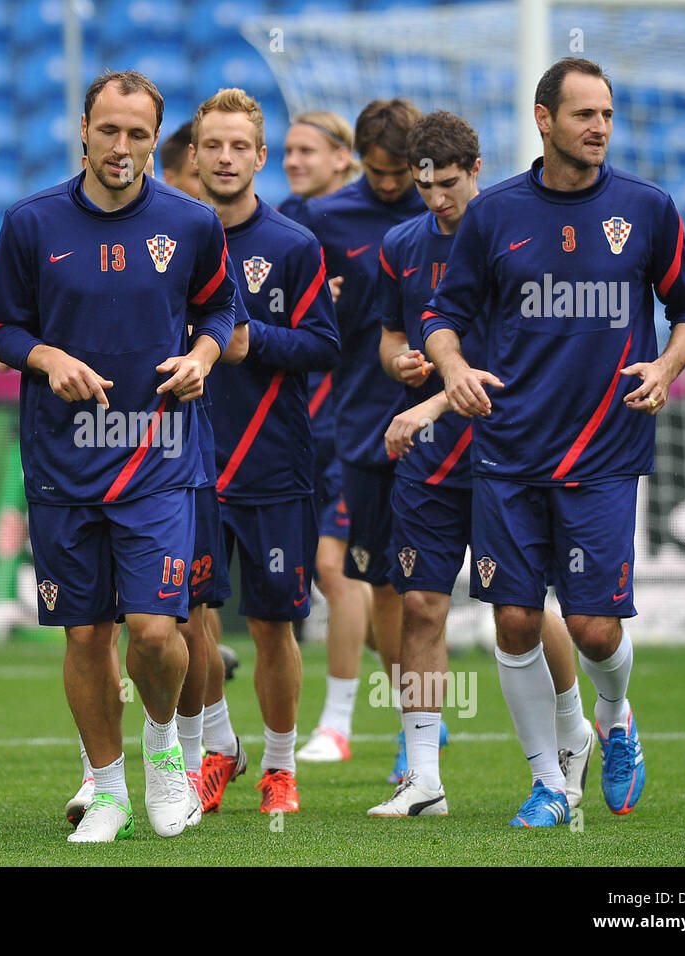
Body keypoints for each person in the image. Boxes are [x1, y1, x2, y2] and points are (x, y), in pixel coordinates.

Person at [423, 58, 685, 826]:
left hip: (605, 450)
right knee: (512, 620)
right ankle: (550, 780)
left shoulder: (647, 209)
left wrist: (668, 364)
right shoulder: (495, 216)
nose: (599, 128)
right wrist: (452, 368)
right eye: (584, 114)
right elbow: (441, 315)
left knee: (591, 625)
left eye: (608, 116)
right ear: (545, 120)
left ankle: (617, 722)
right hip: (510, 448)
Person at [0, 69, 238, 843]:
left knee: (157, 631)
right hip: (64, 463)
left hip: (160, 456)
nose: (122, 146)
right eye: (109, 130)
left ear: (156, 140)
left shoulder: (192, 223)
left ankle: (164, 753)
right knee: (87, 636)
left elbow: (220, 307)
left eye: (137, 134)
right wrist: (46, 358)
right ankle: (107, 786)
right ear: (83, 131)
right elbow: (1, 328)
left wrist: (203, 354)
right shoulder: (31, 224)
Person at [366, 110, 593, 817]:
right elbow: (394, 333)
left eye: (448, 184)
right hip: (429, 460)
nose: (436, 200)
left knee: (520, 610)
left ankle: (576, 730)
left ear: (475, 169)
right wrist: (402, 362)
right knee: (423, 603)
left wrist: (432, 399)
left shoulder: (510, 235)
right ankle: (425, 778)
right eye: (423, 186)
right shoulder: (401, 244)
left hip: (507, 450)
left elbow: (511, 360)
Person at [188, 89, 338, 815]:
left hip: (274, 461)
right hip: (184, 461)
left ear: (259, 156)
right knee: (186, 613)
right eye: (212, 145)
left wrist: (255, 342)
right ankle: (218, 745)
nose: (224, 157)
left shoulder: (292, 245)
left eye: (238, 146)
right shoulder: (172, 240)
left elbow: (325, 344)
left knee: (275, 622)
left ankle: (281, 767)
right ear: (194, 153)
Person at [300, 100, 428, 780]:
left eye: (400, 172)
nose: (389, 184)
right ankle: (414, 732)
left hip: (452, 422)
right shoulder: (326, 221)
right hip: (363, 424)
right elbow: (299, 318)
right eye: (379, 173)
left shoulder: (449, 213)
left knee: (469, 597)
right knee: (382, 585)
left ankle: (586, 718)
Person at [277, 111, 359, 646]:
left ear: (341, 158)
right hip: (291, 426)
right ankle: (416, 708)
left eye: (307, 151)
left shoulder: (370, 227)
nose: (293, 161)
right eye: (287, 151)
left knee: (345, 573)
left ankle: (412, 714)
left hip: (356, 425)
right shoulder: (278, 221)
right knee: (312, 578)